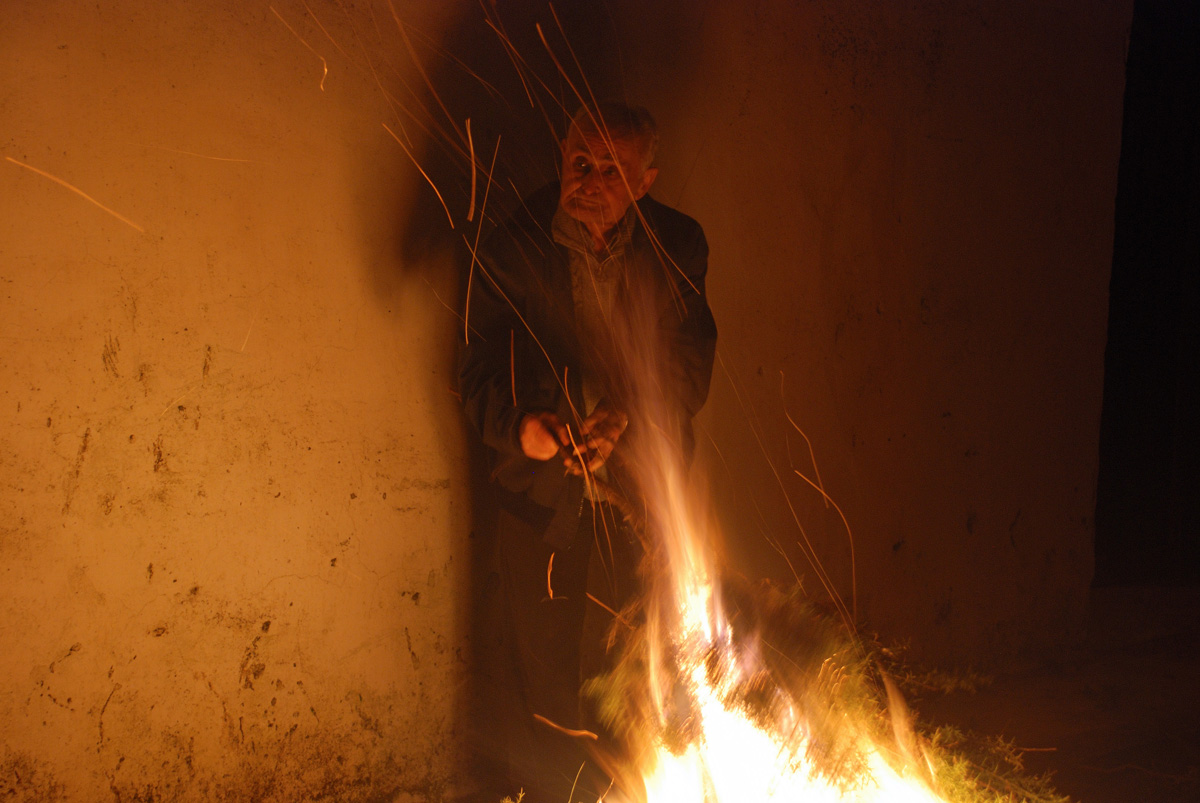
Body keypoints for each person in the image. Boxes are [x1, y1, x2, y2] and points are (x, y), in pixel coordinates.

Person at [458, 101, 717, 802]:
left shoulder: (677, 245)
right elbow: (475, 370)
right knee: (541, 669)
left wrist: (624, 417)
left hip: (642, 486)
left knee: (644, 655)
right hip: (540, 491)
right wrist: (525, 430)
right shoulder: (512, 245)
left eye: (612, 169)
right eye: (580, 162)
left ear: (645, 180)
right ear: (560, 157)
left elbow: (689, 360)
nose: (591, 180)